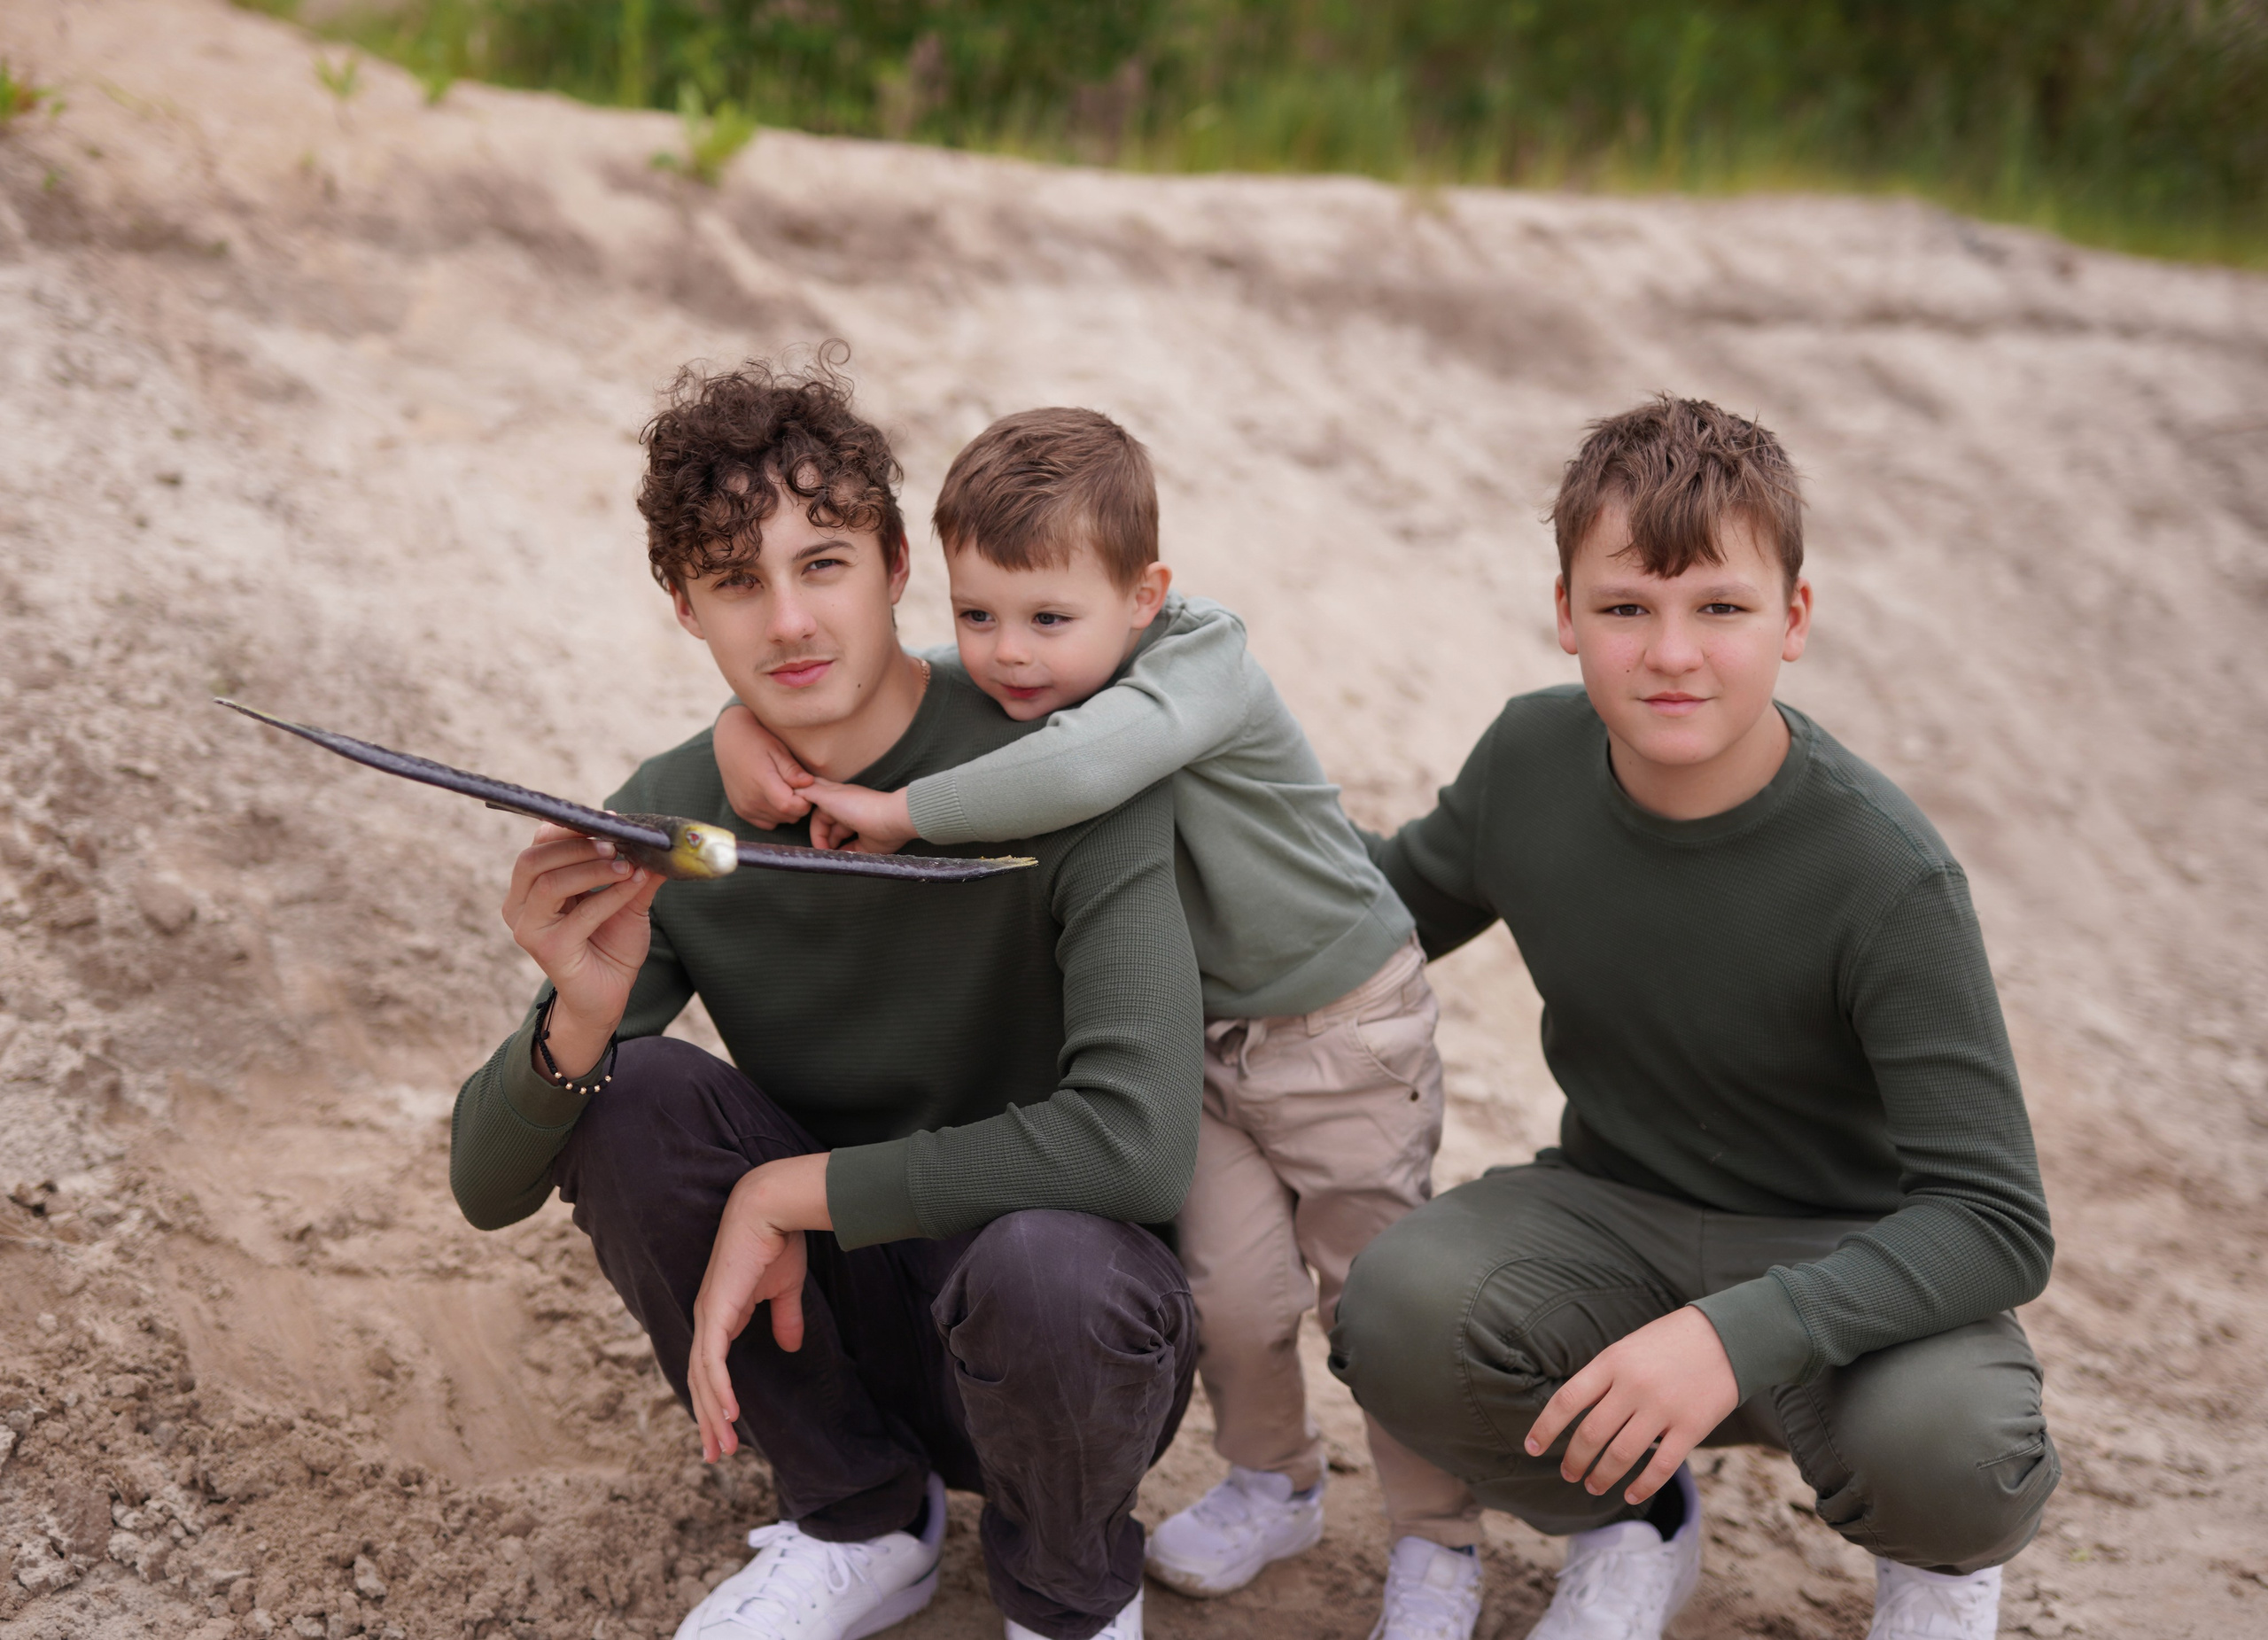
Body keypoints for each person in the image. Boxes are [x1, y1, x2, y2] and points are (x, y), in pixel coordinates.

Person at [447, 358, 1206, 1640]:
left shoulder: (1069, 757)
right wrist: (577, 1013)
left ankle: (1069, 1593)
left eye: (823, 564)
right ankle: (860, 1517)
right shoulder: (676, 814)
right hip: (828, 1322)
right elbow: (484, 1188)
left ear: (899, 565)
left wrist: (790, 1192)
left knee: (1049, 1263)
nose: (789, 622)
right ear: (685, 605)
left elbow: (1139, 1150)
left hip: (1066, 1329)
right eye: (737, 581)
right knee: (629, 1093)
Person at [714, 408, 1488, 1640]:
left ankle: (1438, 1540)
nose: (1008, 655)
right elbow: (917, 681)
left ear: (1144, 597)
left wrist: (905, 812)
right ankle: (1276, 1482)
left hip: (1343, 1028)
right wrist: (740, 723)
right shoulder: (1048, 667)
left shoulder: (1202, 658)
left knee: (1372, 1300)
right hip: (1208, 1041)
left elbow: (1082, 768)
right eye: (979, 614)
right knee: (1233, 1293)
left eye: (1046, 619)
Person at [1327, 396, 2059, 1640]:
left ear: (1794, 619)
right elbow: (1368, 913)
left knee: (1958, 1455)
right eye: (1627, 608)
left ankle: (1936, 1573)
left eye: (1720, 608)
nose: (1672, 653)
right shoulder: (1531, 760)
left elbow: (1997, 1222)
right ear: (1567, 614)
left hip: (1846, 1257)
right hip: (1615, 1217)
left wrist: (1734, 1336)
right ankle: (1636, 1519)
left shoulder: (1887, 875)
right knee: (1398, 1311)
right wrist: (1200, 786)